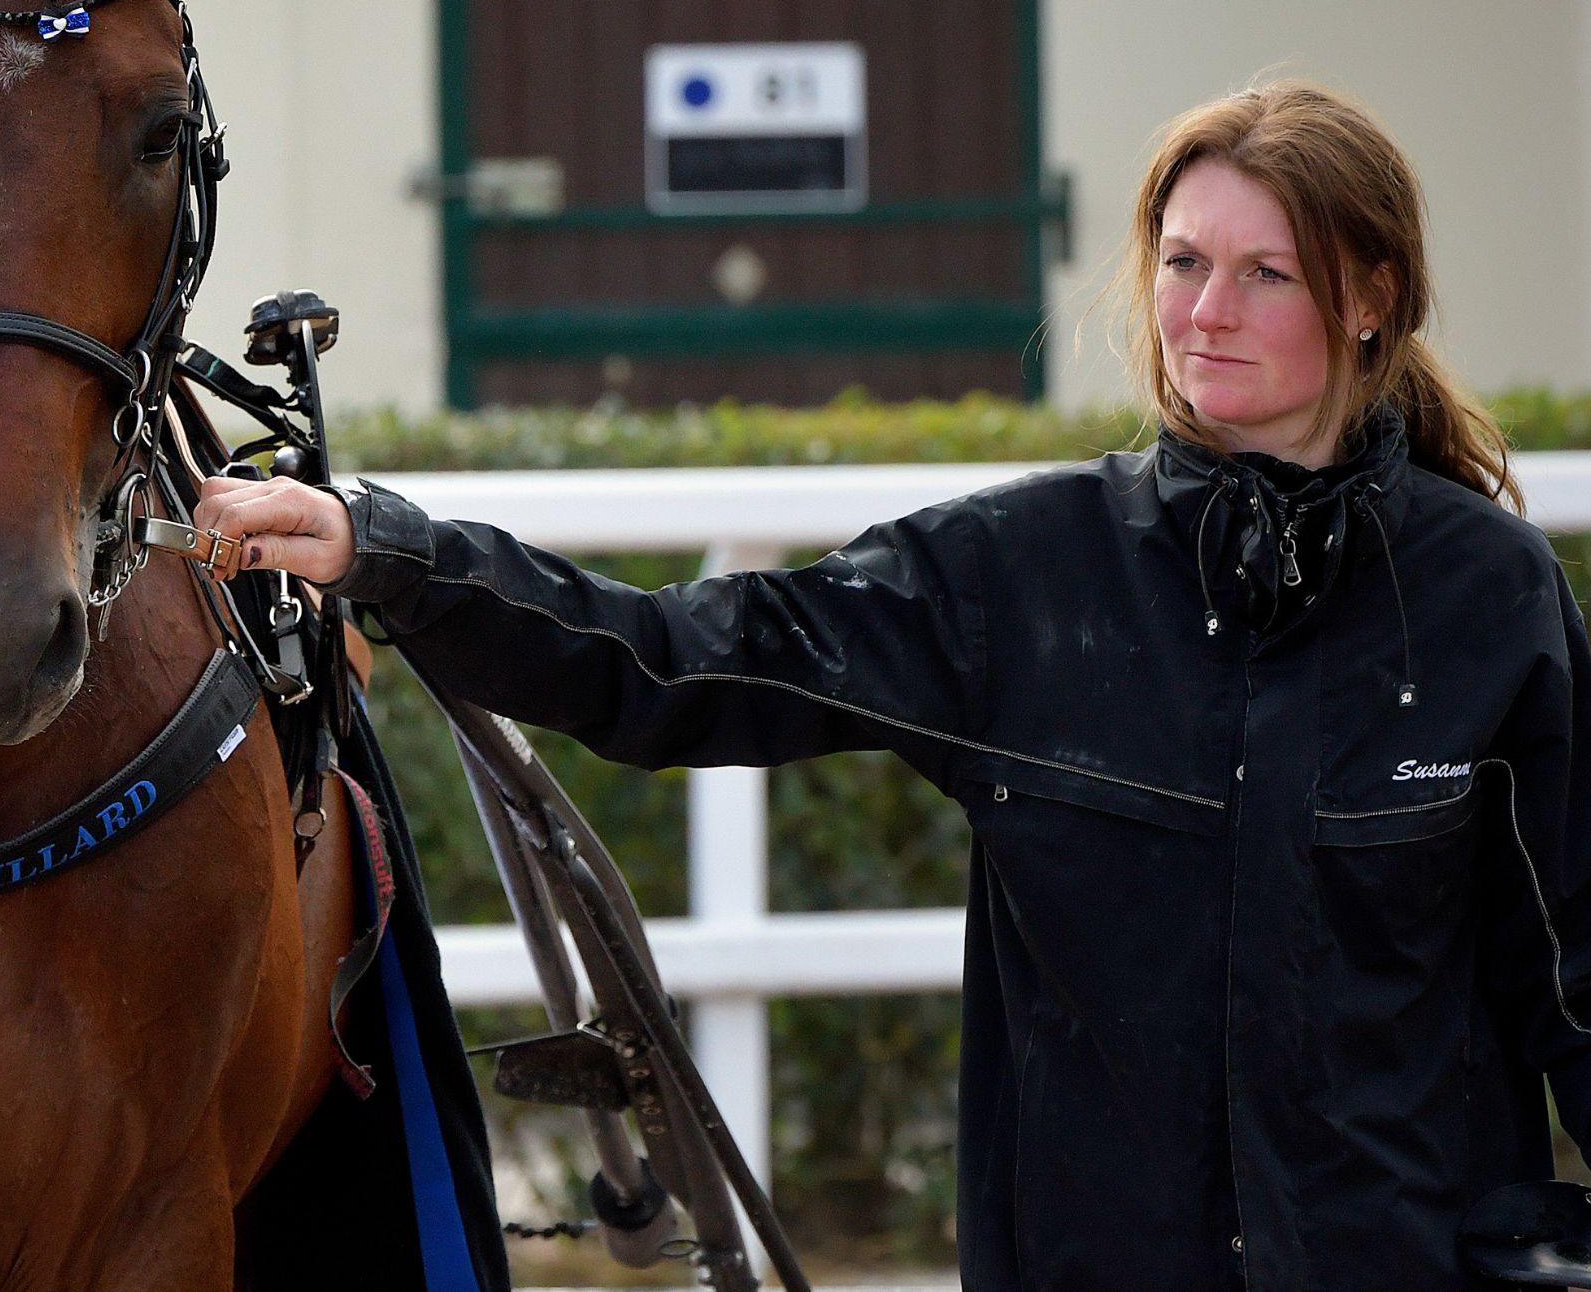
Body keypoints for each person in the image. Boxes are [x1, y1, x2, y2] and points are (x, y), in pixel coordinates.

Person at [196, 81, 1591, 1292]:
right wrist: (394, 553)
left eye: (1265, 274)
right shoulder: (1022, 575)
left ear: (1371, 299)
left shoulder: (1490, 596)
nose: (1206, 314)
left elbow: (1574, 973)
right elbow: (677, 660)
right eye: (1182, 262)